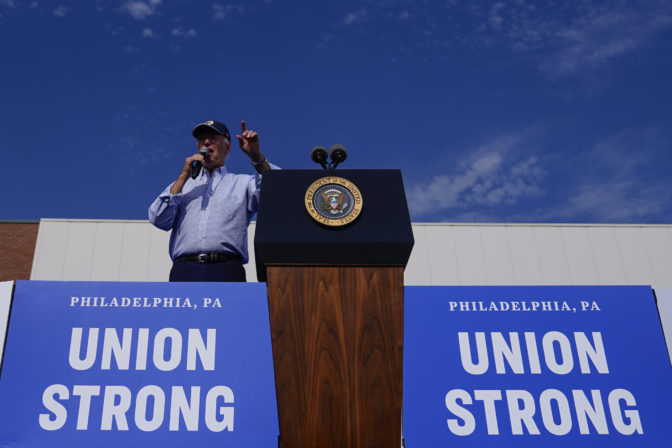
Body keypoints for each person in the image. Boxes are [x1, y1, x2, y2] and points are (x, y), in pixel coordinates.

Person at [148, 120, 277, 282]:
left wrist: (256, 156)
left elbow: (275, 192)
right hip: (184, 270)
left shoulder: (243, 183)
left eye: (213, 137)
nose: (206, 142)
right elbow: (158, 220)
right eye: (202, 139)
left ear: (228, 147)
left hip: (227, 270)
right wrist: (183, 177)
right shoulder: (181, 186)